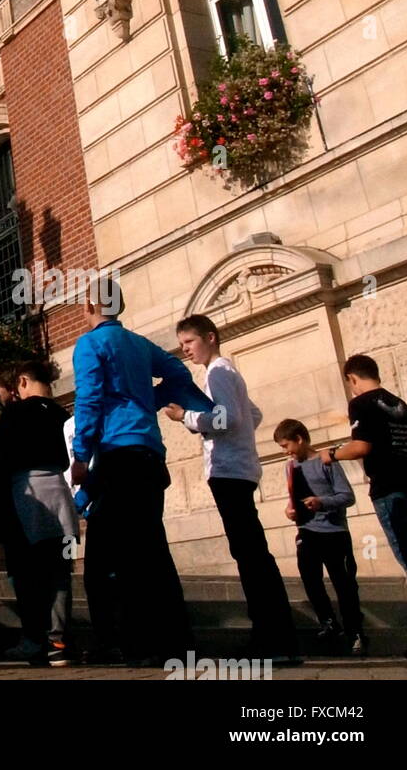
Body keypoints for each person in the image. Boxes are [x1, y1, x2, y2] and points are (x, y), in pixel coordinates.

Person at [69, 278, 208, 666]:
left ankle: (133, 643)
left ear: (90, 306)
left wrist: (80, 456)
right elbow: (179, 376)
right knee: (151, 550)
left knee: (106, 558)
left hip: (117, 456)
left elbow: (90, 399)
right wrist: (149, 400)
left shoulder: (91, 344)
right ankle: (175, 643)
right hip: (148, 455)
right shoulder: (140, 344)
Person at [164, 314, 298, 662]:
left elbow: (230, 419)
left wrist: (188, 419)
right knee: (254, 552)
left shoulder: (218, 371)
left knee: (250, 555)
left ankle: (272, 637)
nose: (186, 350)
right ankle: (276, 635)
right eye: (182, 345)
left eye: (189, 342)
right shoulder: (228, 371)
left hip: (229, 472)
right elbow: (252, 415)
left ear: (209, 337)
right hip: (240, 470)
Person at [0, 358, 78, 667]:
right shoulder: (63, 414)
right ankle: (58, 640)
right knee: (60, 570)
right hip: (62, 494)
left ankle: (33, 638)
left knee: (27, 570)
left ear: (23, 381)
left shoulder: (15, 413)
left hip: (27, 495)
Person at [329, 354, 407, 660]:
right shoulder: (401, 406)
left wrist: (332, 453)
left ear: (352, 378)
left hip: (390, 491)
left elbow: (361, 446)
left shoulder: (361, 404)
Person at [274, 418, 364, 655]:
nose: (286, 452)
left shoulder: (327, 462)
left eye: (286, 446)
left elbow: (347, 496)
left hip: (334, 533)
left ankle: (355, 632)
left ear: (299, 439)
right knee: (311, 581)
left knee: (344, 585)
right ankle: (328, 622)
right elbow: (294, 496)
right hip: (306, 531)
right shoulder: (290, 467)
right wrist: (289, 510)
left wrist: (321, 502)